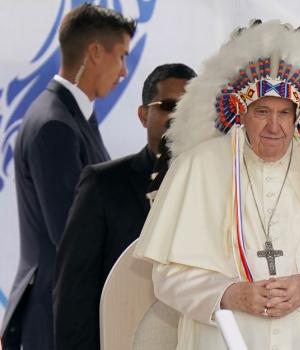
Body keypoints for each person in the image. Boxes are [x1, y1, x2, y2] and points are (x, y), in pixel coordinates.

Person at [134, 20, 300, 349]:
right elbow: (168, 277)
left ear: (298, 115)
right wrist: (232, 294)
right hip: (225, 338)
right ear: (241, 113)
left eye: (284, 113)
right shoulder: (197, 167)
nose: (274, 127)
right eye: (262, 112)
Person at [1, 4, 136, 350]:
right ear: (94, 52)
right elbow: (71, 236)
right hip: (53, 321)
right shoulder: (55, 125)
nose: (123, 72)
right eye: (121, 56)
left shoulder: (70, 116)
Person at [52, 63, 196, 350]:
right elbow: (74, 295)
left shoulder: (219, 187)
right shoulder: (103, 184)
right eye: (168, 105)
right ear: (144, 115)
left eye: (191, 107)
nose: (180, 117)